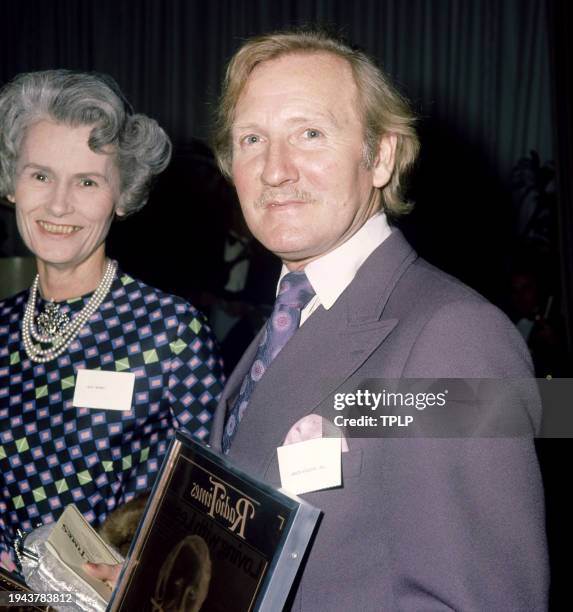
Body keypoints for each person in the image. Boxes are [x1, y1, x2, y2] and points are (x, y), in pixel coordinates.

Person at [204, 30, 548, 610]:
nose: (274, 169)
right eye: (252, 139)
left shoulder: (457, 337)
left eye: (310, 134)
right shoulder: (289, 315)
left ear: (381, 156)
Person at [0, 70, 224, 573]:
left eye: (87, 181)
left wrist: (145, 568)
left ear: (123, 196)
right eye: (40, 175)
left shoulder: (169, 332)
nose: (58, 204)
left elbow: (215, 504)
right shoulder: (1, 328)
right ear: (11, 183)